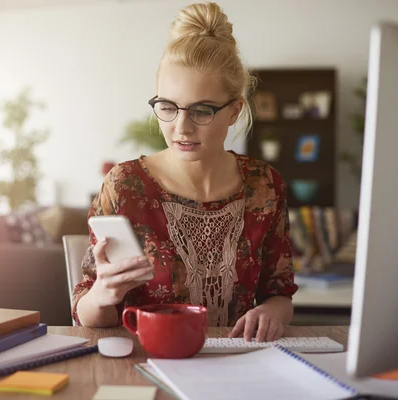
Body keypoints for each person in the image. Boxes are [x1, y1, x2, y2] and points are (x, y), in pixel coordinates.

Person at [73, 2, 297, 342]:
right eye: (167, 107)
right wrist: (104, 292)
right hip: (147, 363)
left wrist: (269, 312)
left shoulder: (265, 185)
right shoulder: (126, 186)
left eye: (201, 110)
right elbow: (86, 315)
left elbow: (280, 294)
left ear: (234, 110)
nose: (181, 127)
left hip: (236, 364)